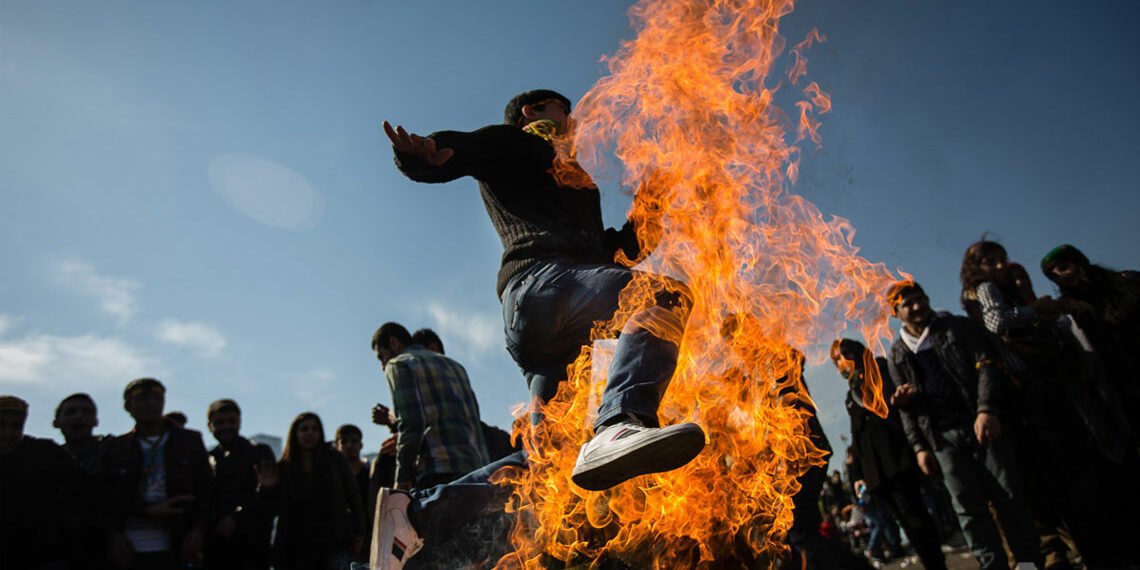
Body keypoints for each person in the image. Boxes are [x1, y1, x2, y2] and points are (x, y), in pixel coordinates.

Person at [384, 88, 704, 491]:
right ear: (531, 111)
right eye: (563, 110)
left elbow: (611, 254)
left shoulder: (574, 178)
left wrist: (650, 210)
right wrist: (423, 156)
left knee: (549, 463)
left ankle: (419, 510)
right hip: (544, 283)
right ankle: (621, 419)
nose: (573, 120)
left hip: (543, 321)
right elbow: (466, 150)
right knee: (664, 296)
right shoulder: (516, 143)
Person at [962, 240, 1138, 567]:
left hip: (1054, 388)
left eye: (1002, 259)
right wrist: (1037, 312)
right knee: (1071, 479)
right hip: (1035, 395)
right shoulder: (985, 290)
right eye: (991, 261)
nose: (1000, 266)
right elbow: (996, 323)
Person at [885, 280, 1040, 570]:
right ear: (896, 313)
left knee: (1009, 500)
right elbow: (907, 409)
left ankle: (1029, 565)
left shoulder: (956, 327)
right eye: (908, 304)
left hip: (981, 426)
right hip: (943, 441)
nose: (917, 306)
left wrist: (986, 410)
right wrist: (919, 446)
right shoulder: (898, 353)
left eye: (920, 298)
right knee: (969, 512)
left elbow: (987, 365)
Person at [830, 338, 947, 569]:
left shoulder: (881, 371)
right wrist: (857, 475)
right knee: (905, 522)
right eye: (837, 360)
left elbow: (897, 407)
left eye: (846, 354)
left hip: (898, 460)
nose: (843, 361)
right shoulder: (850, 396)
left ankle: (936, 564)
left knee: (916, 518)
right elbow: (857, 439)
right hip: (878, 474)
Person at [96, 378, 212, 569]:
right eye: (142, 398)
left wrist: (199, 529)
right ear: (128, 406)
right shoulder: (114, 448)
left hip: (178, 546)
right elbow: (103, 498)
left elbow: (207, 490)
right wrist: (114, 534)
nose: (151, 403)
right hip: (129, 548)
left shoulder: (189, 441)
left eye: (157, 397)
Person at [372, 322, 490, 490]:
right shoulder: (456, 366)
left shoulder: (398, 365)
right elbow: (472, 419)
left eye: (381, 357)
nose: (382, 365)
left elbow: (412, 424)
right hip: (477, 471)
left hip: (438, 473)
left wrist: (402, 479)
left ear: (394, 343)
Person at [257, 412, 365, 570]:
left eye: (315, 429)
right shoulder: (284, 468)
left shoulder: (334, 460)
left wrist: (359, 535)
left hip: (333, 543)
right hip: (295, 548)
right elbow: (271, 509)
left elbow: (354, 498)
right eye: (304, 429)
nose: (310, 433)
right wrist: (267, 488)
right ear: (295, 434)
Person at [1, 395, 94, 570]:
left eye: (16, 426)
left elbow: (88, 493)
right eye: (1, 425)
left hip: (47, 557)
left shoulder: (45, 452)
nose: (7, 433)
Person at [203, 399, 276, 570]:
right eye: (220, 422)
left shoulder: (259, 452)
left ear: (240, 422)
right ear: (210, 426)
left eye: (232, 421)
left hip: (251, 548)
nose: (226, 426)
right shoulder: (207, 459)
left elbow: (269, 497)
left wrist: (236, 517)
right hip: (215, 548)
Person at [54, 392, 108, 473]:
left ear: (95, 421)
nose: (78, 416)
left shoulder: (112, 451)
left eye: (86, 412)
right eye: (71, 412)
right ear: (56, 423)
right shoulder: (49, 459)